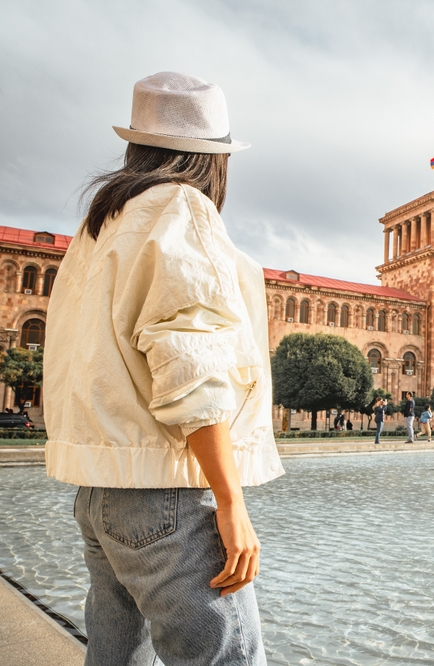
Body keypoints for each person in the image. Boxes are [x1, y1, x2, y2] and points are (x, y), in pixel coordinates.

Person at [44, 72, 283, 665]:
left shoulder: (102, 224)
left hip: (101, 494)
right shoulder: (183, 206)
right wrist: (230, 501)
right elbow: (191, 367)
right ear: (213, 159)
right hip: (166, 495)